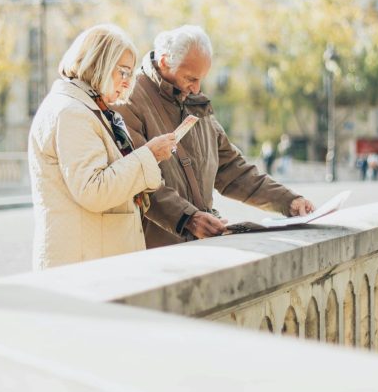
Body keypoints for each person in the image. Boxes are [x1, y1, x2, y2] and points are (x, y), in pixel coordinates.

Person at [114, 25, 316, 248]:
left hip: (200, 246)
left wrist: (289, 201)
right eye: (190, 78)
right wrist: (189, 219)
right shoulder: (128, 98)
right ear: (164, 62)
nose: (197, 88)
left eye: (201, 79)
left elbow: (233, 171)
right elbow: (138, 181)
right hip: (155, 252)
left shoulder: (195, 101)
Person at [28, 24, 177, 269]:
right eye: (123, 72)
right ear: (99, 63)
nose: (128, 83)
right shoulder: (72, 113)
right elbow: (94, 190)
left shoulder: (87, 108)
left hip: (92, 258)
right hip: (84, 266)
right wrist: (149, 155)